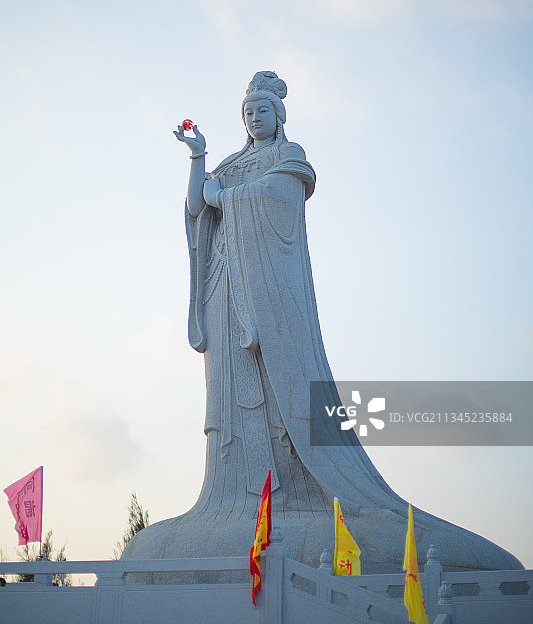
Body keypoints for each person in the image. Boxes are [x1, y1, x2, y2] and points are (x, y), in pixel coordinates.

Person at [124, 71, 521, 572]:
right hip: (226, 289)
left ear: (278, 116)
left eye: (262, 111)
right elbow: (197, 204)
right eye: (248, 113)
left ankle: (297, 488)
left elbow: (276, 200)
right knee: (232, 392)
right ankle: (232, 497)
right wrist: (198, 156)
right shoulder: (232, 163)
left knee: (278, 388)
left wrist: (227, 197)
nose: (253, 118)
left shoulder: (287, 159)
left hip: (269, 299)